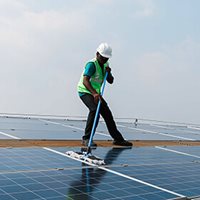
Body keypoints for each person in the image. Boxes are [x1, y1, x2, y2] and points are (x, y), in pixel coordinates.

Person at [77, 42, 132, 147]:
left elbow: (111, 81)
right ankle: (86, 139)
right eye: (103, 58)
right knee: (94, 110)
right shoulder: (91, 65)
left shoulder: (106, 64)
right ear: (97, 54)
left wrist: (109, 73)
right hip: (85, 91)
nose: (104, 60)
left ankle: (118, 139)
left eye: (107, 58)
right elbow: (85, 81)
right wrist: (94, 94)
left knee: (107, 114)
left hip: (96, 93)